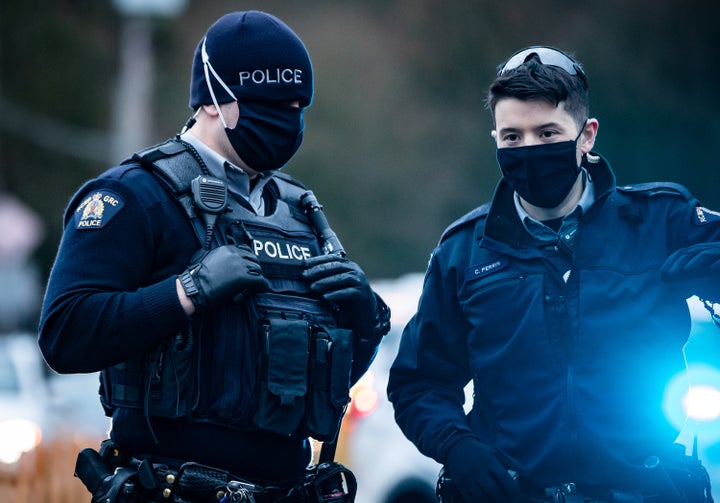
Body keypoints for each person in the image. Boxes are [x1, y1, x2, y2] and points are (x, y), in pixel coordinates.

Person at [38, 10, 390, 503]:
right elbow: (64, 334)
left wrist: (366, 323)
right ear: (211, 101)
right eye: (269, 104)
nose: (286, 120)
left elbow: (309, 380)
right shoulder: (135, 197)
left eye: (296, 105)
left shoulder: (302, 213)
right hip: (171, 487)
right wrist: (185, 293)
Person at [387, 46, 717, 503]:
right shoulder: (462, 250)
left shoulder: (660, 221)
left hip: (645, 489)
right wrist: (459, 448)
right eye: (512, 137)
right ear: (496, 139)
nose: (529, 150)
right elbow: (418, 384)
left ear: (586, 136)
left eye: (547, 133)